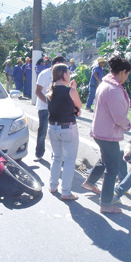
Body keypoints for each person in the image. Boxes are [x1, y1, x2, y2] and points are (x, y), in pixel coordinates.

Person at [81, 56, 131, 213]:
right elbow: (119, 116)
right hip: (107, 133)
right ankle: (106, 203)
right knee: (113, 169)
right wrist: (128, 126)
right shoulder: (112, 89)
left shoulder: (107, 84)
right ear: (122, 72)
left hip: (102, 131)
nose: (127, 77)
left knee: (107, 159)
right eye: (128, 74)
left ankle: (90, 182)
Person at [47, 63, 82, 200]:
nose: (70, 74)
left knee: (56, 158)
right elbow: (78, 105)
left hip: (53, 127)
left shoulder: (49, 92)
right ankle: (66, 192)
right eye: (68, 72)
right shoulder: (70, 91)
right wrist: (74, 89)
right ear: (63, 74)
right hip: (68, 128)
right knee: (69, 161)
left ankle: (53, 186)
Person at [35, 55, 67, 160]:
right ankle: (39, 153)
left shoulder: (62, 75)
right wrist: (48, 103)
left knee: (58, 132)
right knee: (43, 131)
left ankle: (57, 155)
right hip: (44, 108)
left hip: (57, 109)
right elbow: (38, 91)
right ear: (57, 63)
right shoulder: (44, 74)